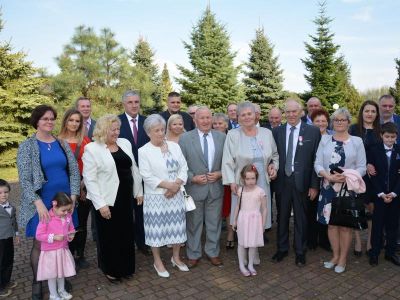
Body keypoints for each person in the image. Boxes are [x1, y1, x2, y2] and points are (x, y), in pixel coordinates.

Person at [17, 104, 80, 300]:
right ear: (36, 121)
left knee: (63, 241)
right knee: (40, 244)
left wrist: (75, 195)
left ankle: (59, 275)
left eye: (52, 118)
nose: (49, 122)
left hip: (64, 202)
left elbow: (74, 170)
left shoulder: (61, 143)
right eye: (45, 118)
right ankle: (38, 282)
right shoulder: (27, 146)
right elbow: (25, 179)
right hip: (41, 202)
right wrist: (37, 202)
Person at [83, 114, 143, 283]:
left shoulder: (125, 143)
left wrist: (138, 191)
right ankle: (111, 269)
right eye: (113, 129)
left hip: (126, 197)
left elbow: (134, 168)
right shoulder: (92, 149)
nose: (117, 132)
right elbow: (90, 179)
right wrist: (101, 205)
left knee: (126, 233)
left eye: (118, 129)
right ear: (103, 129)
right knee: (109, 236)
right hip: (107, 200)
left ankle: (126, 268)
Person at [315, 108, 366, 273]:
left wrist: (348, 176)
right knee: (331, 225)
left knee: (345, 226)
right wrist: (328, 177)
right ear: (332, 122)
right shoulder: (324, 140)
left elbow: (362, 167)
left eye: (343, 120)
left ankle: (343, 259)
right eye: (336, 120)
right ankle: (335, 256)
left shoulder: (357, 141)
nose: (339, 122)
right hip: (328, 187)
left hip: (348, 188)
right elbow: (317, 163)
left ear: (348, 122)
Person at [272, 99, 321, 267]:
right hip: (282, 180)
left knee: (301, 218)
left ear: (301, 112)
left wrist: (315, 185)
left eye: (295, 111)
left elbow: (316, 159)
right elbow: (273, 156)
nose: (291, 115)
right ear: (284, 113)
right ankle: (282, 248)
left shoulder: (313, 132)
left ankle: (300, 251)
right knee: (282, 216)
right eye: (288, 112)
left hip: (303, 182)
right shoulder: (277, 132)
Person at [139, 114, 189, 278]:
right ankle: (157, 261)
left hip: (175, 195)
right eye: (156, 130)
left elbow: (184, 167)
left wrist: (176, 186)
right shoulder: (144, 151)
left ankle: (176, 257)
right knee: (156, 230)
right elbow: (146, 175)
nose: (161, 133)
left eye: (162, 129)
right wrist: (169, 186)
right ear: (148, 133)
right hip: (156, 198)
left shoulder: (175, 146)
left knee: (177, 227)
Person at [222, 101, 278, 242]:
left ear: (255, 115)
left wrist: (273, 166)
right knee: (243, 215)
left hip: (262, 181)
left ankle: (255, 248)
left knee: (259, 214)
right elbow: (227, 160)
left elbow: (275, 155)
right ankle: (244, 246)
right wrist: (231, 182)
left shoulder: (267, 133)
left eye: (249, 114)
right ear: (238, 117)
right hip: (241, 182)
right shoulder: (232, 135)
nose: (246, 117)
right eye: (243, 115)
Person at [179, 107, 226, 268]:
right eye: (202, 118)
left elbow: (228, 162)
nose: (206, 121)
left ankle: (213, 252)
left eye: (208, 118)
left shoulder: (221, 137)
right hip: (194, 189)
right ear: (195, 120)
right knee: (193, 224)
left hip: (215, 188)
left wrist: (220, 173)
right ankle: (193, 254)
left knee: (214, 223)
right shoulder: (185, 138)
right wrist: (192, 178)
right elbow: (181, 165)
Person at [58, 108, 92, 269]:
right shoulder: (57, 141)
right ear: (65, 121)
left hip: (83, 186)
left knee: (81, 223)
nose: (74, 123)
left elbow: (92, 166)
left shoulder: (85, 141)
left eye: (77, 121)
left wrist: (82, 185)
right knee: (66, 222)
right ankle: (67, 254)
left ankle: (80, 254)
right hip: (63, 187)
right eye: (71, 120)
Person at [118, 90, 150, 256]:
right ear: (124, 103)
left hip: (145, 175)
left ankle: (142, 242)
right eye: (130, 102)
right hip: (123, 175)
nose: (134, 105)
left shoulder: (147, 122)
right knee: (124, 212)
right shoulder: (117, 122)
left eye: (136, 102)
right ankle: (126, 243)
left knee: (142, 210)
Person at [349, 100, 381, 256]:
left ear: (377, 114)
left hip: (375, 177)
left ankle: (369, 241)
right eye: (367, 111)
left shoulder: (380, 130)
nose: (370, 114)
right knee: (356, 208)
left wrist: (372, 164)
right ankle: (357, 241)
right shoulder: (354, 129)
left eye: (373, 111)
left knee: (372, 209)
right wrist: (365, 164)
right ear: (362, 112)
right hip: (357, 176)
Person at [368, 122, 400, 266]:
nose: (389, 140)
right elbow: (373, 175)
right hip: (379, 195)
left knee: (393, 225)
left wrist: (394, 193)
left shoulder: (399, 150)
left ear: (396, 137)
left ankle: (390, 252)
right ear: (382, 136)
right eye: (387, 137)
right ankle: (374, 253)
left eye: (392, 137)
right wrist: (381, 193)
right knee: (377, 225)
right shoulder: (374, 151)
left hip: (395, 195)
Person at [36, 192, 76, 300]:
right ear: (55, 206)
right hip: (50, 252)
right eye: (64, 210)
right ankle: (53, 295)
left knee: (61, 273)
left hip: (62, 249)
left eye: (68, 210)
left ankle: (62, 290)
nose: (66, 212)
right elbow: (39, 235)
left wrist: (71, 234)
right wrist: (53, 237)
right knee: (52, 275)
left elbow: (71, 227)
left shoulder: (67, 216)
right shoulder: (46, 217)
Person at [232, 165, 267, 277]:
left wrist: (263, 224)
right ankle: (242, 264)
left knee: (253, 244)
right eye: (248, 179)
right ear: (243, 179)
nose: (251, 181)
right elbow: (237, 206)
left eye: (253, 178)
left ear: (256, 178)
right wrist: (235, 220)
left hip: (255, 221)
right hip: (243, 219)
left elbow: (264, 209)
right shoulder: (240, 191)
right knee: (241, 243)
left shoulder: (260, 191)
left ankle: (250, 264)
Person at [307, 108, 331, 251]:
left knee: (326, 210)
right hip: (312, 180)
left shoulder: (333, 137)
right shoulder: (309, 137)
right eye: (317, 121)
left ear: (328, 122)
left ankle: (324, 240)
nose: (320, 123)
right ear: (312, 122)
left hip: (329, 181)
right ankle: (311, 239)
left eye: (323, 121)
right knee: (312, 210)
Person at [213, 113, 235, 249]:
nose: (217, 126)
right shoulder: (210, 137)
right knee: (215, 209)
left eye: (220, 123)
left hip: (227, 179)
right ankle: (214, 238)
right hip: (212, 179)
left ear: (226, 124)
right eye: (215, 123)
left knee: (228, 209)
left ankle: (230, 235)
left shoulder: (231, 137)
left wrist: (222, 173)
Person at [0, 179, 19, 298]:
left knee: (8, 259)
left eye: (6, 192)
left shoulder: (11, 206)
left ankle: (6, 280)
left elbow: (13, 221)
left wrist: (16, 234)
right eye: (0, 193)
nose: (3, 195)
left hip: (8, 238)